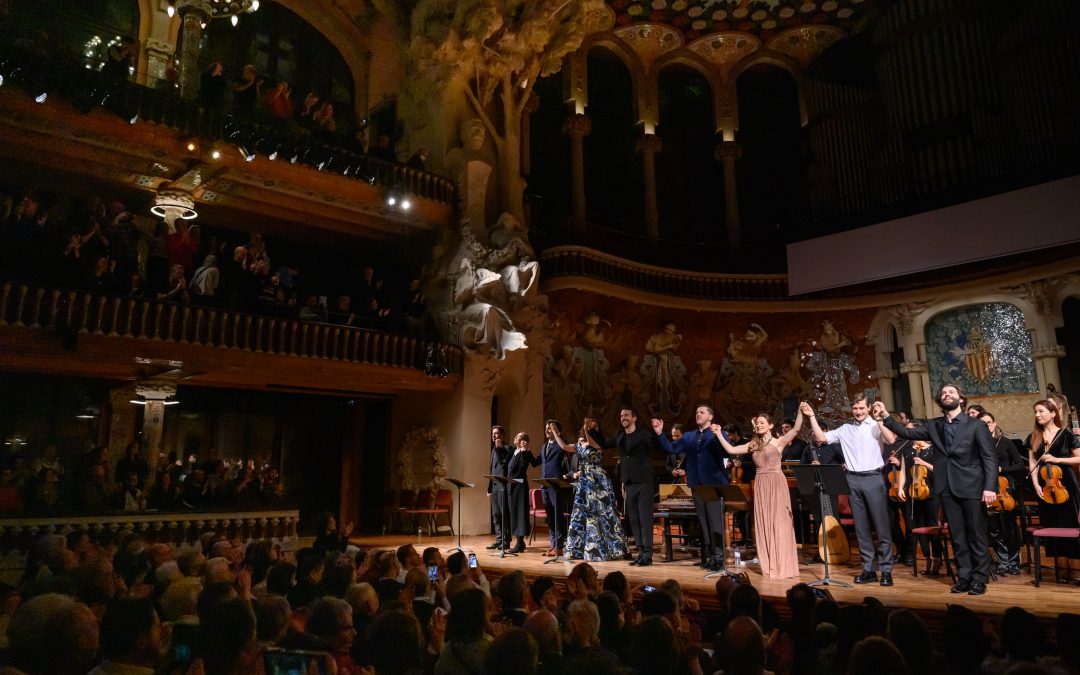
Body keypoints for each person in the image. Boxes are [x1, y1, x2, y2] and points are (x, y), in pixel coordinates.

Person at [876, 384, 998, 595]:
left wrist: (990, 487)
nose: (947, 394)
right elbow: (906, 431)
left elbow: (989, 457)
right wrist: (886, 416)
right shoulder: (934, 425)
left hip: (971, 486)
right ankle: (964, 576)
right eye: (943, 393)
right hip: (946, 487)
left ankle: (980, 578)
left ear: (961, 398)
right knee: (957, 536)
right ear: (940, 401)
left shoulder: (976, 425)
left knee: (976, 534)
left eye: (951, 392)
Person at [804, 395, 898, 586]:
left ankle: (886, 570)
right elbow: (822, 438)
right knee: (861, 528)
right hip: (853, 480)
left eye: (862, 408)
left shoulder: (874, 425)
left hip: (873, 478)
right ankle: (868, 569)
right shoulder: (845, 429)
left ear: (868, 407)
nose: (858, 412)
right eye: (855, 408)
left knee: (881, 527)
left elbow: (890, 439)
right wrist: (812, 416)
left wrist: (880, 419)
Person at [714, 408, 804, 578]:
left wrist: (800, 412)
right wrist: (719, 434)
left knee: (780, 523)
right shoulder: (753, 444)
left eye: (763, 423)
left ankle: (783, 565)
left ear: (770, 425)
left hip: (776, 483)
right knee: (764, 522)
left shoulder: (779, 442)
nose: (760, 425)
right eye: (758, 423)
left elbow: (796, 429)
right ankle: (769, 564)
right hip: (761, 484)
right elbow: (731, 450)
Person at [652, 404, 731, 570]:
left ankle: (719, 559)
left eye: (702, 412)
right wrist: (660, 433)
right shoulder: (689, 436)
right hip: (696, 485)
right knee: (703, 522)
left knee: (715, 522)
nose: (698, 414)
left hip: (713, 484)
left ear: (710, 417)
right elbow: (671, 448)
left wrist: (718, 435)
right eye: (696, 412)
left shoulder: (718, 433)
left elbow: (726, 452)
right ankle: (709, 557)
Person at [588, 408, 658, 565]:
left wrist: (656, 432)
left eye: (626, 415)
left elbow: (654, 444)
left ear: (634, 418)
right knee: (633, 519)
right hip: (629, 483)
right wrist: (593, 430)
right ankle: (640, 553)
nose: (623, 418)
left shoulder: (644, 434)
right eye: (621, 416)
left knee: (645, 520)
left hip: (644, 482)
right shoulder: (620, 436)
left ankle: (648, 555)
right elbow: (604, 444)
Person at [552, 421, 627, 561]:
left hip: (597, 480)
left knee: (601, 514)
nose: (590, 424)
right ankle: (580, 549)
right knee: (582, 513)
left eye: (594, 424)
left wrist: (587, 430)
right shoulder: (579, 444)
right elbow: (564, 446)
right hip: (584, 480)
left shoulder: (598, 443)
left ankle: (603, 549)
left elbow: (593, 444)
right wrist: (555, 432)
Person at [1026, 397, 1080, 569]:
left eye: (1041, 411)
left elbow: (1079, 458)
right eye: (1035, 412)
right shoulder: (1033, 436)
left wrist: (1057, 459)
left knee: (1070, 524)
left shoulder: (1066, 434)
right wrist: (1036, 485)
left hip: (1066, 484)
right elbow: (1033, 463)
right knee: (1052, 524)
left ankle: (1075, 568)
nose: (1037, 414)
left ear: (1053, 413)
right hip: (1045, 485)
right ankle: (1061, 568)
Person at [979, 411, 1025, 575]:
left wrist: (1001, 469)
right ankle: (1002, 562)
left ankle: (1013, 562)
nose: (987, 425)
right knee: (994, 528)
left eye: (989, 422)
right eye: (983, 423)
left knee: (1010, 527)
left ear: (994, 422)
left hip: (1006, 488)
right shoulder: (978, 445)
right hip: (988, 488)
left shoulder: (1005, 442)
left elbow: (1020, 465)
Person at [891, 432, 943, 575]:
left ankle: (937, 558)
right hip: (912, 492)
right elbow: (902, 472)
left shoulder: (933, 449)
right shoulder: (907, 450)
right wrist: (901, 488)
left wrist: (924, 463)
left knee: (933, 526)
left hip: (931, 492)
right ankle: (926, 558)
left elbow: (940, 470)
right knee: (917, 527)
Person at [537, 420, 571, 556]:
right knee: (550, 517)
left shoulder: (561, 445)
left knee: (557, 516)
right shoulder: (544, 446)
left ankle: (559, 546)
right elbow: (536, 462)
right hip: (545, 484)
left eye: (550, 428)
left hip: (556, 485)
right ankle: (553, 545)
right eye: (546, 428)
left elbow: (567, 452)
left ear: (558, 431)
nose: (547, 430)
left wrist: (557, 434)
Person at [506, 432, 539, 553]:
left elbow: (523, 468)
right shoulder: (514, 452)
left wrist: (526, 451)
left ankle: (520, 543)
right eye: (515, 436)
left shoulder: (524, 453)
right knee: (514, 513)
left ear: (523, 441)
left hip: (520, 487)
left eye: (518, 437)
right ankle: (519, 542)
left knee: (520, 513)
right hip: (511, 486)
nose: (515, 438)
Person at [486, 425, 512, 551]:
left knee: (503, 515)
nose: (494, 435)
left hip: (503, 486)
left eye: (496, 433)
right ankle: (498, 540)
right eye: (493, 433)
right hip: (495, 486)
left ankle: (506, 541)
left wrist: (500, 448)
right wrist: (489, 488)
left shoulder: (507, 449)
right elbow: (492, 470)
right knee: (495, 515)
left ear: (502, 435)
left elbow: (504, 463)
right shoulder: (493, 450)